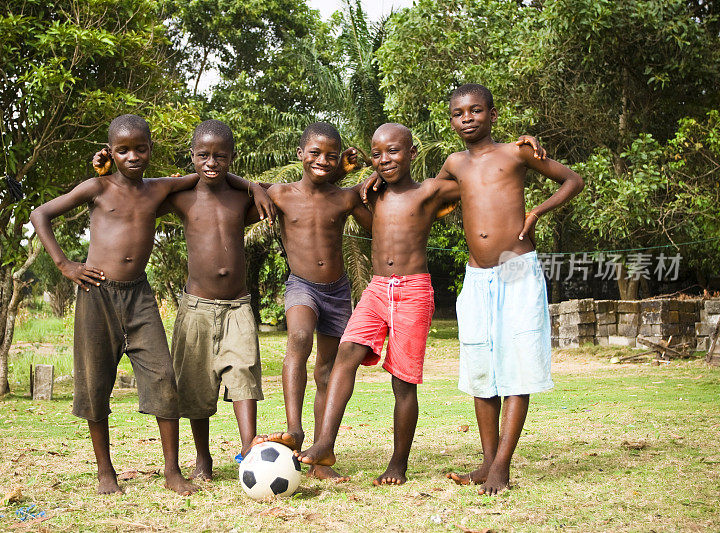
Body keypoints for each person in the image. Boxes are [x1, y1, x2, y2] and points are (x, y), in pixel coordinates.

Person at [30, 114, 200, 495]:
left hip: (139, 296)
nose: (133, 156)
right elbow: (40, 214)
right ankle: (105, 471)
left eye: (141, 148)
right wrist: (65, 264)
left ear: (151, 150)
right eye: (123, 150)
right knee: (95, 383)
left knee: (164, 378)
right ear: (110, 153)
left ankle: (172, 471)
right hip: (97, 295)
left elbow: (205, 175)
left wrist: (254, 187)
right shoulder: (97, 186)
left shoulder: (158, 189)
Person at [436, 83, 584, 495]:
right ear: (451, 120)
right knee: (482, 367)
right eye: (458, 112)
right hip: (477, 275)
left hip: (517, 269)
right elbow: (429, 198)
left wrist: (537, 210)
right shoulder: (453, 164)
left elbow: (573, 180)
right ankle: (487, 462)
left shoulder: (516, 152)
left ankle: (502, 465)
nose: (467, 118)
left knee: (516, 364)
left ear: (493, 115)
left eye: (476, 110)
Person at [296, 123, 462, 486]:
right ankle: (324, 443)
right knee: (346, 353)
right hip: (376, 289)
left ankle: (397, 464)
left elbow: (473, 175)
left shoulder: (430, 191)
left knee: (403, 383)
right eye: (377, 153)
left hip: (413, 291)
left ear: (412, 153)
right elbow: (326, 187)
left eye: (394, 151)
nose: (385, 159)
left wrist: (512, 150)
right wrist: (351, 170)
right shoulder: (369, 193)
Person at [245, 122, 371, 482]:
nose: (323, 160)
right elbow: (233, 200)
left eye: (332, 155)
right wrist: (255, 187)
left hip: (337, 290)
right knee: (299, 338)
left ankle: (318, 457)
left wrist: (365, 181)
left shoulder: (345, 197)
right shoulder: (281, 194)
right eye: (315, 152)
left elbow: (380, 227)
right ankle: (294, 429)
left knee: (327, 372)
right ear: (300, 154)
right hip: (301, 286)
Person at [156, 119, 275, 481]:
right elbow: (139, 192)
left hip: (238, 305)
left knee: (244, 375)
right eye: (203, 155)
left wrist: (253, 185)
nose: (211, 162)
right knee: (195, 385)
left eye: (220, 156)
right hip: (197, 308)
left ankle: (248, 449)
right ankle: (203, 457)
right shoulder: (182, 197)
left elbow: (275, 194)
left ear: (232, 158)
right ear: (191, 156)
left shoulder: (242, 198)